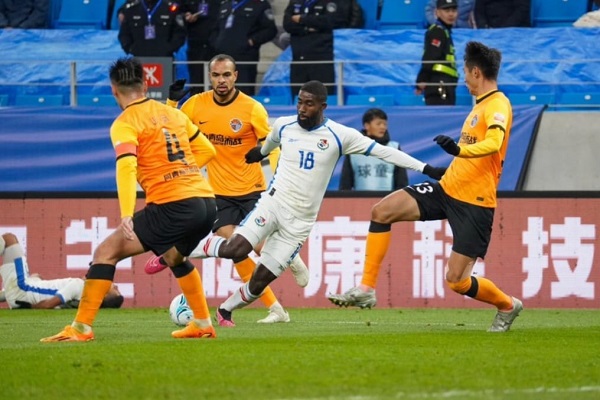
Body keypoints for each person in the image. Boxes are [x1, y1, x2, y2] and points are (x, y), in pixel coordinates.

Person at [193, 80, 446, 327]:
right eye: (300, 103)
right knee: (234, 249)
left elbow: (385, 152)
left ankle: (225, 309)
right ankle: (184, 248)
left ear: (323, 106)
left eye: (309, 104)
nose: (302, 109)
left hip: (301, 223)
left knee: (259, 282)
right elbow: (269, 143)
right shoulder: (284, 125)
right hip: (273, 204)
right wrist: (258, 154)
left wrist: (426, 167)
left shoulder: (340, 135)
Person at [329, 41, 523, 333]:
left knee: (457, 280)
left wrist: (458, 152)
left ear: (475, 71)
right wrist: (453, 164)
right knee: (382, 211)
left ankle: (508, 305)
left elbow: (494, 143)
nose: (463, 79)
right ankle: (367, 288)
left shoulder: (497, 104)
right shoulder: (480, 105)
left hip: (475, 201)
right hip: (447, 188)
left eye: (465, 73)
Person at [40, 57, 219, 342]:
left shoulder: (124, 123)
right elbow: (208, 150)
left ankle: (81, 328)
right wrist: (182, 173)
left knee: (105, 252)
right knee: (174, 256)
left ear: (113, 90)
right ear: (146, 84)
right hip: (206, 203)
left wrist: (127, 212)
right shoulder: (173, 114)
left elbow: (126, 166)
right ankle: (202, 323)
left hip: (174, 204)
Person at [144, 54, 309, 325]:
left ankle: (288, 257)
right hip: (218, 192)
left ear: (236, 77)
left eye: (226, 75)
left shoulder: (252, 109)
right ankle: (273, 306)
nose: (221, 80)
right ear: (210, 77)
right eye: (216, 75)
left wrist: (277, 180)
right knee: (236, 247)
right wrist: (172, 101)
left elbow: (272, 144)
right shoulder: (196, 105)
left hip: (252, 189)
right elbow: (167, 126)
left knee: (256, 247)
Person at [0, 232, 124, 310]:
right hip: (23, 294)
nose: (116, 285)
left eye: (115, 289)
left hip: (22, 292)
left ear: (104, 294)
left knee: (9, 239)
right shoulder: (84, 295)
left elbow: (48, 305)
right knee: (36, 277)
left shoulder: (81, 287)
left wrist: (28, 307)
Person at [210, 0, 278, 96]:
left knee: (243, 93)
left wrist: (251, 41)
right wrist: (216, 43)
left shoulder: (259, 4)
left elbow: (270, 30)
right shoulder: (225, 5)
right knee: (221, 93)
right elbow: (215, 29)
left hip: (245, 58)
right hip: (222, 58)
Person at [283, 0, 343, 99]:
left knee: (322, 97)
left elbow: (329, 21)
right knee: (299, 98)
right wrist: (308, 29)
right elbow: (287, 24)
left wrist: (302, 19)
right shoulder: (294, 2)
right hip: (299, 58)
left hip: (321, 58)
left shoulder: (329, 2)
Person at [339, 108, 409, 191]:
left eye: (385, 124)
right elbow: (345, 183)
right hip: (360, 201)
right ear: (366, 126)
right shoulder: (354, 149)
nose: (383, 127)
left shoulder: (394, 148)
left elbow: (401, 182)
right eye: (378, 124)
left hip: (387, 201)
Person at [416, 0, 459, 106]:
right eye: (446, 10)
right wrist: (421, 79)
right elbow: (431, 56)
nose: (450, 14)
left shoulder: (445, 32)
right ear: (437, 12)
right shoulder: (437, 31)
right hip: (438, 85)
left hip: (446, 85)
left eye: (453, 10)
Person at [118, 0, 187, 58]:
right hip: (139, 58)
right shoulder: (131, 9)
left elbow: (179, 33)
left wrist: (169, 48)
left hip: (164, 58)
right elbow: (124, 33)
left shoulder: (170, 8)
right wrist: (131, 49)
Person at [180, 0, 219, 94]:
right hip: (195, 44)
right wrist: (186, 15)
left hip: (216, 44)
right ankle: (196, 106)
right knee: (196, 81)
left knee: (217, 80)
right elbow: (179, 11)